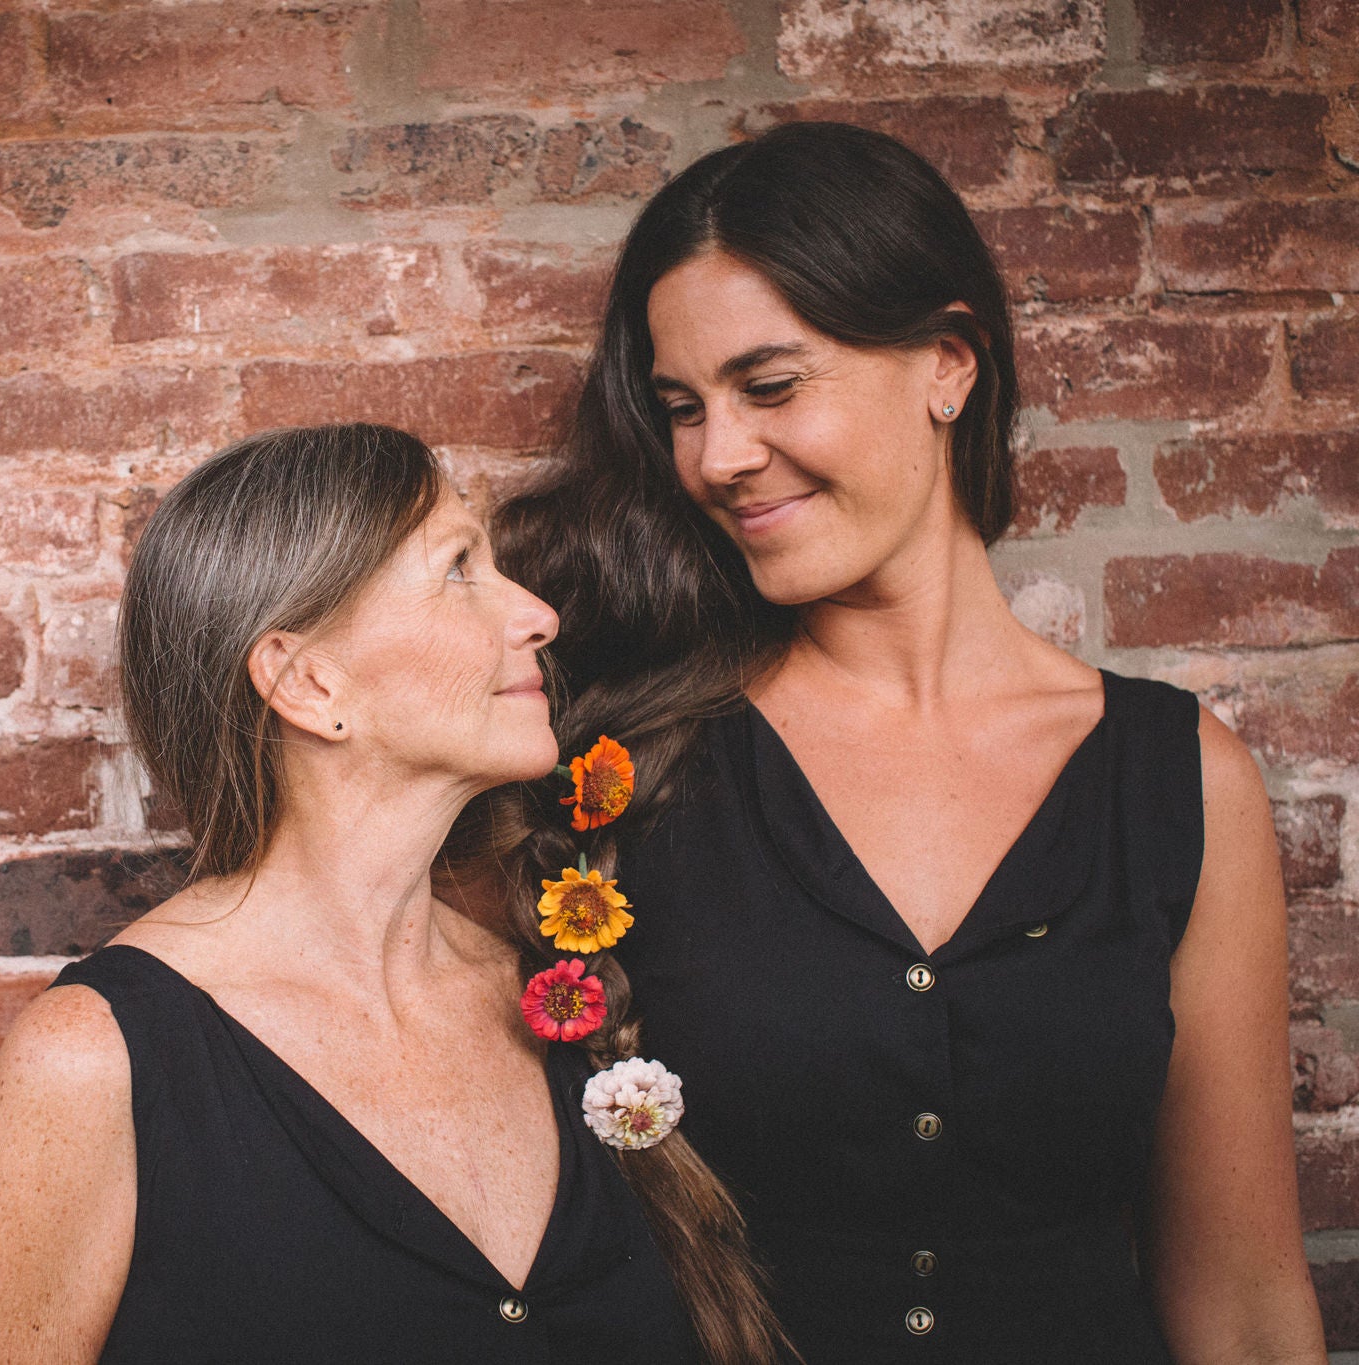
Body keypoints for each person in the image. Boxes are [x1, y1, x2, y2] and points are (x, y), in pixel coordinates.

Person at [477, 123, 1326, 1362]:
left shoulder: (1178, 779)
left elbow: (1241, 1299)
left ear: (945, 361)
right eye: (680, 408)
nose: (717, 457)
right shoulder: (620, 770)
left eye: (768, 388)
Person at [0, 423, 785, 1363]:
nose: (537, 614)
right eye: (457, 567)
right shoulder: (96, 1060)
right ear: (308, 680)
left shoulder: (543, 990)